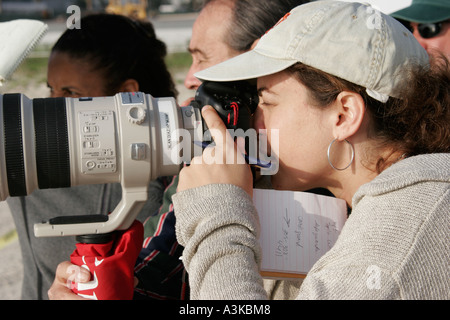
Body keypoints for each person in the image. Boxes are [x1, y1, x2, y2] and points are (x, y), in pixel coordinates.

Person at [172, 1, 449, 299]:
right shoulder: (416, 198)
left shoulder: (395, 243)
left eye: (267, 101)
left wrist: (216, 218)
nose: (255, 120)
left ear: (344, 115)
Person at [48, 0, 312, 300]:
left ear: (259, 63)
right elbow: (164, 262)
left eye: (202, 60)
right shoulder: (211, 162)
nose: (188, 79)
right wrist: (111, 287)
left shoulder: (346, 196)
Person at [6, 13, 177, 300]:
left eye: (70, 93)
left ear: (126, 95)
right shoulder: (29, 156)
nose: (51, 106)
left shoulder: (160, 191)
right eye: (51, 89)